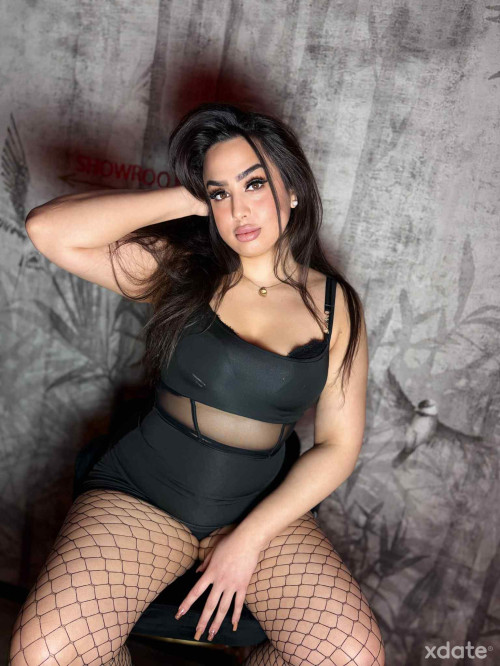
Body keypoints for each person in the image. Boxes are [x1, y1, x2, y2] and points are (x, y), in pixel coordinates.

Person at [9, 103, 385, 666]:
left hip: (258, 508)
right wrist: (189, 200)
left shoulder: (337, 305)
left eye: (254, 184)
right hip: (145, 496)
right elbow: (48, 230)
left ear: (293, 190)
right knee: (44, 654)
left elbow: (338, 445)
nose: (239, 209)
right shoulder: (182, 271)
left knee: (353, 657)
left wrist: (248, 539)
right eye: (220, 193)